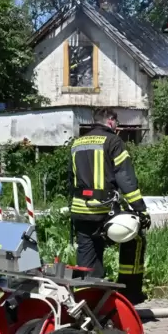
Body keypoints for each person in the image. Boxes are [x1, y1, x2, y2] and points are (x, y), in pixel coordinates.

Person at [68, 108, 151, 305]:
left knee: (88, 258)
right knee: (135, 238)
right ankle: (130, 294)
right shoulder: (113, 141)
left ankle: (89, 301)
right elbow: (125, 177)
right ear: (110, 121)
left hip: (80, 210)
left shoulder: (76, 143)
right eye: (116, 122)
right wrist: (140, 209)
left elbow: (71, 179)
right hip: (104, 210)